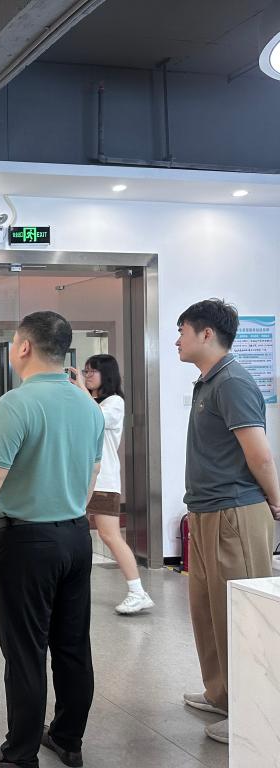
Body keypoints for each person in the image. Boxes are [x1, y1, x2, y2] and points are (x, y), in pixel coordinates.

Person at [0, 311, 103, 768]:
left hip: (27, 543)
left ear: (23, 347)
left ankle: (19, 753)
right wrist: (68, 506)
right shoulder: (87, 406)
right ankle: (68, 739)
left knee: (25, 650)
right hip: (75, 537)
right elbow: (93, 473)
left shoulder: (16, 404)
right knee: (72, 645)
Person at [175, 298, 280, 745]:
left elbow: (259, 454)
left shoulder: (234, 381)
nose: (176, 341)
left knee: (242, 615)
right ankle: (221, 694)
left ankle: (256, 711)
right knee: (208, 610)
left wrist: (277, 503)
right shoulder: (209, 381)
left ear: (206, 334)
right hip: (205, 511)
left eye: (182, 331)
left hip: (235, 512)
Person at [68, 354, 153, 614]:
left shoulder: (114, 402)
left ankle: (138, 591)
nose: (87, 376)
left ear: (107, 375)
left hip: (103, 480)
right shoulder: (88, 401)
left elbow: (97, 420)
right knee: (71, 532)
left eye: (91, 372)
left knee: (109, 535)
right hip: (80, 478)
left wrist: (81, 390)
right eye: (85, 371)